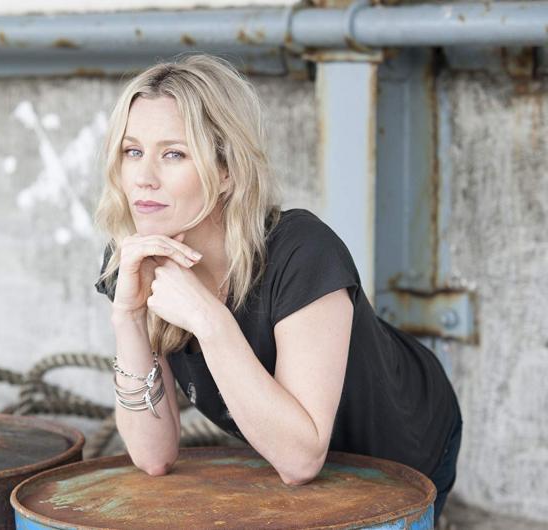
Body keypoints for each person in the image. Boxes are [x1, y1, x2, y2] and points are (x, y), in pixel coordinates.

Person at [93, 54, 462, 522]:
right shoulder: (132, 258)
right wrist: (128, 317)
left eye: (173, 154)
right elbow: (153, 457)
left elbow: (300, 460)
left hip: (403, 447)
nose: (144, 177)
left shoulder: (302, 251)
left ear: (226, 171)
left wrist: (208, 320)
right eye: (132, 152)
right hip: (294, 463)